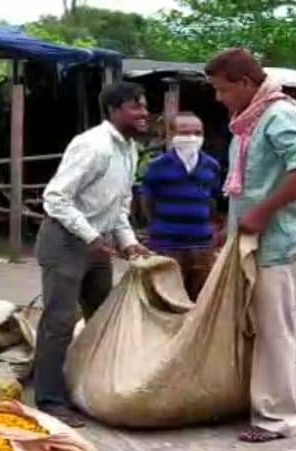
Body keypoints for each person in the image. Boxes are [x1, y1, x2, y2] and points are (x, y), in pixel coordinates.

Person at [205, 48, 296, 443]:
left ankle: (277, 418)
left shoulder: (280, 115)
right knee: (252, 325)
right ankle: (256, 403)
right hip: (252, 238)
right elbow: (248, 185)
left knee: (273, 329)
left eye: (223, 90)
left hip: (277, 241)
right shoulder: (248, 121)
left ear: (245, 84)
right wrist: (234, 224)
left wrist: (264, 212)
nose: (219, 99)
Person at [33, 82, 152, 426]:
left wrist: (127, 241)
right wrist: (89, 236)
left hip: (96, 241)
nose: (144, 113)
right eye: (135, 107)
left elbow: (119, 205)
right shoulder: (93, 146)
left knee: (101, 316)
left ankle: (92, 384)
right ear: (114, 110)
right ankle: (50, 399)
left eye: (144, 106)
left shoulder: (129, 150)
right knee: (60, 320)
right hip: (65, 240)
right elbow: (55, 198)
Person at [141, 112, 223, 301]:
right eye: (185, 133)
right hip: (167, 245)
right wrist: (158, 227)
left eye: (197, 133)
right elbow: (147, 202)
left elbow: (213, 200)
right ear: (171, 134)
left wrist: (213, 230)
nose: (191, 138)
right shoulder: (157, 166)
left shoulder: (211, 166)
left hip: (202, 246)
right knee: (167, 300)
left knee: (201, 300)